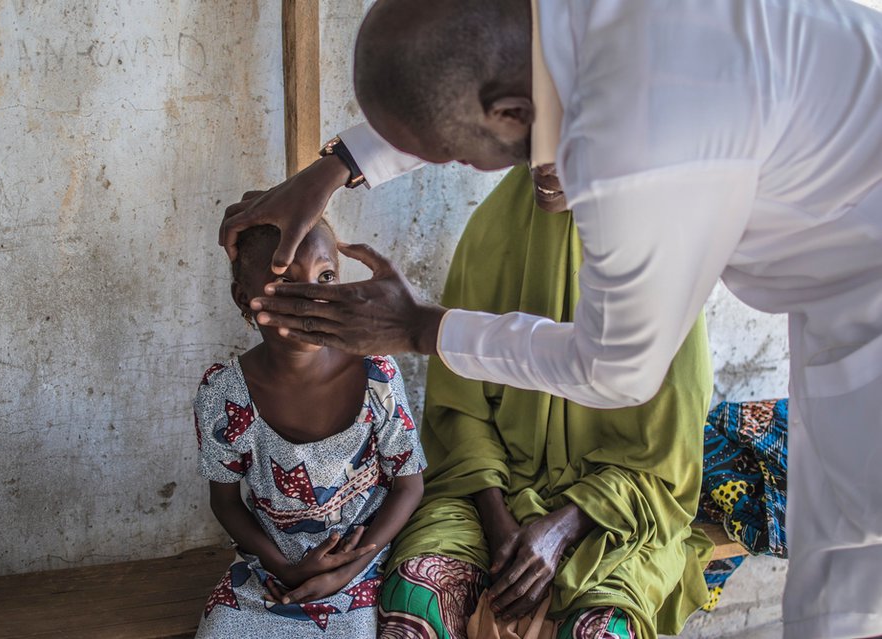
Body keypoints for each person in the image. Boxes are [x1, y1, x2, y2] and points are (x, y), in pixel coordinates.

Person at [220, 2, 882, 637]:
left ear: (514, 114)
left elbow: (618, 371)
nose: (466, 168)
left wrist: (421, 329)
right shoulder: (558, 46)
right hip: (840, 264)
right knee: (840, 561)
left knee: (853, 559)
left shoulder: (630, 152)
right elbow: (469, 69)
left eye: (457, 158)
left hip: (865, 290)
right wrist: (334, 168)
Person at [377, 165, 714, 639]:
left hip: (618, 516)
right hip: (484, 496)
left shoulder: (662, 254)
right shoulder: (491, 232)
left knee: (600, 630)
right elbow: (460, 412)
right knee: (416, 603)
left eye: (567, 136)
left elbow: (664, 464)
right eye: (534, 136)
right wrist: (499, 525)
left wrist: (561, 528)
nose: (546, 161)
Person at [192, 221, 426, 637]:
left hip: (363, 558)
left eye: (326, 276)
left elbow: (410, 486)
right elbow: (225, 502)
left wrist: (344, 572)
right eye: (286, 282)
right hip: (270, 566)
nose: (313, 297)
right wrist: (285, 567)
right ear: (243, 298)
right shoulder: (224, 393)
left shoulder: (376, 374)